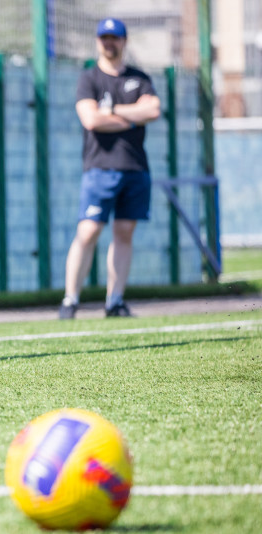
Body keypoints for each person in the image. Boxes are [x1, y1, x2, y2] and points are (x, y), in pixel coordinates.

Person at [59, 18, 161, 320]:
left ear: (124, 41)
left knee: (124, 232)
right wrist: (132, 116)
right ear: (97, 41)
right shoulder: (89, 78)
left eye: (114, 38)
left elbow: (153, 110)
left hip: (135, 167)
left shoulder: (139, 78)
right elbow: (91, 120)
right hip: (100, 168)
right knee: (88, 231)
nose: (109, 43)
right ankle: (70, 299)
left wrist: (113, 111)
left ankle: (114, 301)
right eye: (104, 38)